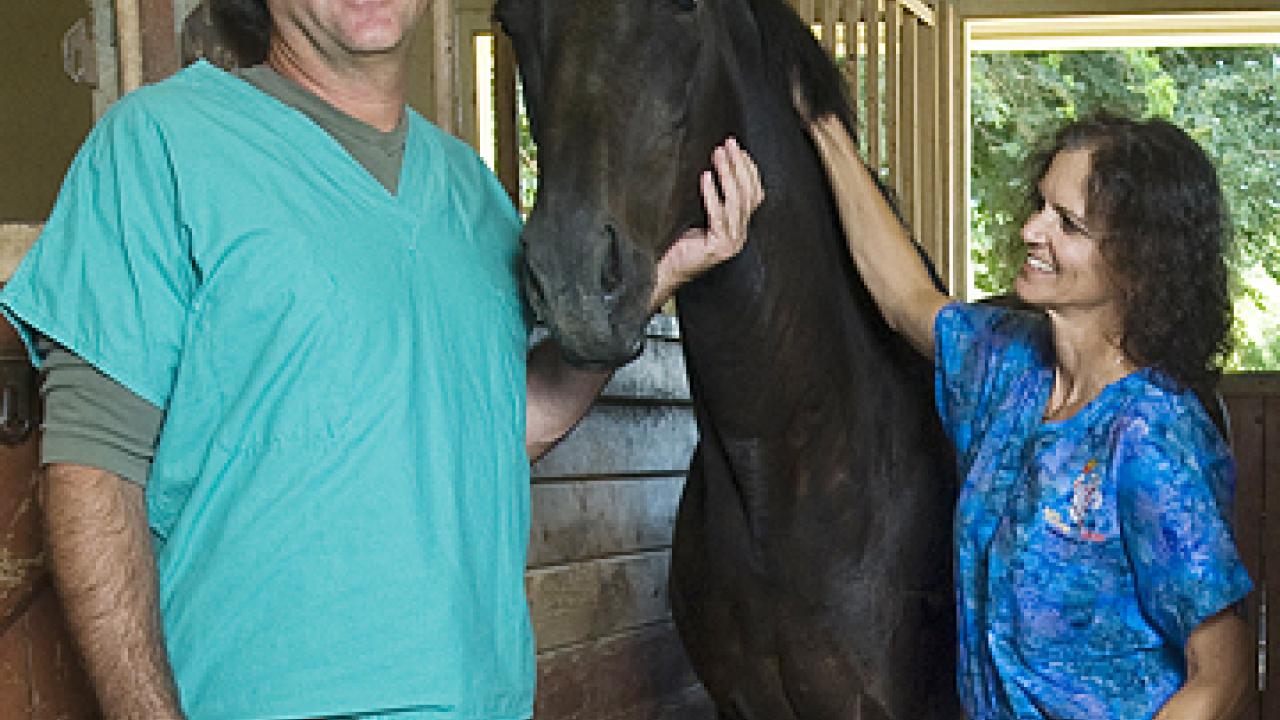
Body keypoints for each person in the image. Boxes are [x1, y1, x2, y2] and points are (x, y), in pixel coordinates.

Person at [0, 0, 764, 717]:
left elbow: (502, 428)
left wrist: (655, 283)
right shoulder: (161, 146)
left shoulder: (473, 195)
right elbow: (91, 468)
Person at [801, 108, 1254, 719]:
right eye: (1041, 205)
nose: (1031, 230)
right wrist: (821, 123)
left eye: (1066, 224)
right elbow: (907, 298)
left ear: (1136, 263)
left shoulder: (1151, 435)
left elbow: (1221, 674)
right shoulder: (1009, 365)